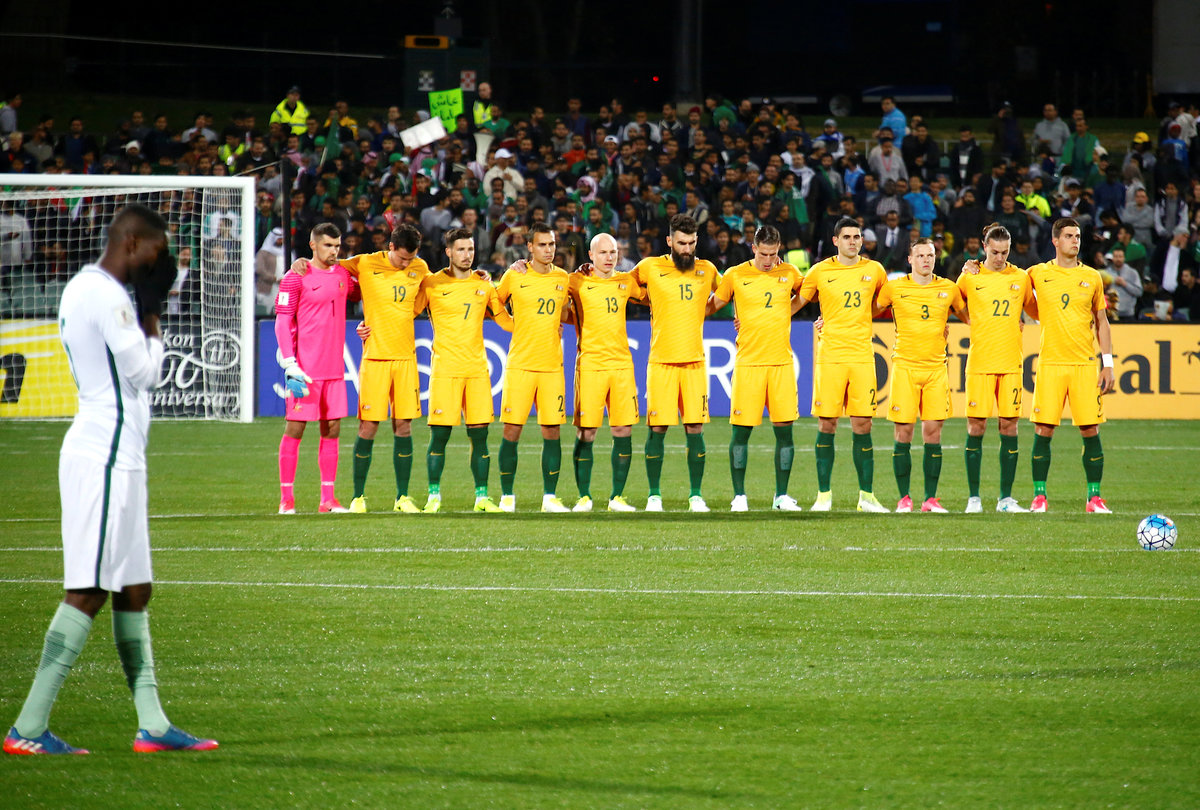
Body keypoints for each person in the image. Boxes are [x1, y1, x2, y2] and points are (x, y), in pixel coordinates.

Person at [5, 205, 217, 756]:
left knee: (134, 589)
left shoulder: (85, 288)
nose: (159, 262)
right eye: (156, 250)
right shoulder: (107, 296)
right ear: (131, 242)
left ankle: (152, 724)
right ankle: (28, 728)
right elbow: (146, 373)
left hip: (121, 457)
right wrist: (153, 313)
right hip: (103, 455)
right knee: (89, 589)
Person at [312, 223, 430, 514]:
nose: (406, 264)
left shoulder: (420, 268)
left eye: (411, 258)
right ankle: (358, 497)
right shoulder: (365, 263)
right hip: (375, 359)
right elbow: (330, 265)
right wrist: (302, 263)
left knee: (404, 426)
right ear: (390, 247)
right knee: (368, 426)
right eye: (402, 258)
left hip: (406, 359)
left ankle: (402, 498)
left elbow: (437, 288)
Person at [790, 217, 890, 512]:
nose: (853, 242)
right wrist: (758, 318)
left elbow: (885, 302)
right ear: (835, 241)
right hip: (831, 356)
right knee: (827, 423)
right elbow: (796, 303)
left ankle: (867, 497)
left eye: (857, 237)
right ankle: (823, 496)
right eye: (847, 237)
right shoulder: (820, 271)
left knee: (863, 424)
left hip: (862, 357)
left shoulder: (875, 270)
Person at [708, 226, 805, 511]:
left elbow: (812, 294)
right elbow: (712, 305)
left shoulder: (789, 272)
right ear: (754, 249)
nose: (768, 260)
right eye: (763, 254)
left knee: (785, 432)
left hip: (781, 364)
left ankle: (781, 496)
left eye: (773, 254)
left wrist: (788, 310)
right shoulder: (736, 275)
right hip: (748, 364)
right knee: (741, 433)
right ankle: (739, 496)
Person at [419, 228, 513, 513]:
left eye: (470, 249)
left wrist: (540, 324)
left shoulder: (484, 285)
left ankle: (482, 497)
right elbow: (405, 312)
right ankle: (433, 496)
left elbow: (505, 321)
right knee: (440, 436)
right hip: (445, 370)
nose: (467, 254)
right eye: (460, 249)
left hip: (476, 371)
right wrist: (370, 326)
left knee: (480, 436)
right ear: (448, 252)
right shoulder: (431, 283)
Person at [631, 213, 720, 512]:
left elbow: (731, 293)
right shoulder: (650, 267)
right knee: (657, 428)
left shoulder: (707, 270)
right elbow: (620, 285)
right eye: (682, 243)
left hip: (694, 362)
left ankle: (696, 495)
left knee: (695, 428)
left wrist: (732, 315)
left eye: (692, 243)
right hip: (661, 363)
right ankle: (654, 495)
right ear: (669, 241)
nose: (687, 249)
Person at [1027, 218, 1114, 512]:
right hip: (1051, 364)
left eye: (1077, 236)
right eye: (1068, 236)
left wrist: (1108, 363)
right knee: (1043, 430)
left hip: (1084, 365)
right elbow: (1007, 281)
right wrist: (973, 267)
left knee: (1090, 429)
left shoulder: (1092, 277)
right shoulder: (1038, 273)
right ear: (1055, 241)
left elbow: (1102, 321)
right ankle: (1039, 496)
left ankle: (1094, 497)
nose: (1075, 241)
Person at [876, 237, 969, 512]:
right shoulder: (894, 288)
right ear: (910, 259)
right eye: (920, 256)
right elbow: (865, 312)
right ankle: (904, 498)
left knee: (933, 432)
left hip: (936, 369)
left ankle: (930, 499)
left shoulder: (948, 288)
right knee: (903, 432)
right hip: (905, 368)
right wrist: (828, 320)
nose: (926, 260)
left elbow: (970, 317)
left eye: (930, 255)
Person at [274, 222, 357, 515]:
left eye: (337, 246)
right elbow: (282, 321)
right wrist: (290, 363)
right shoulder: (295, 277)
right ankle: (287, 499)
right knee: (296, 428)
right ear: (313, 245)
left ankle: (328, 500)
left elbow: (366, 291)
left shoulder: (343, 275)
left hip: (334, 369)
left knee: (332, 429)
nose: (334, 251)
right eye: (328, 245)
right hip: (305, 369)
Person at [956, 224, 1037, 512]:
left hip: (1011, 364)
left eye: (1005, 252)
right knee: (976, 427)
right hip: (980, 364)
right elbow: (952, 303)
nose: (1000, 258)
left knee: (1009, 426)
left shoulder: (1020, 277)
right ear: (984, 247)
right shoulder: (969, 277)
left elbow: (1036, 310)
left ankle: (1005, 499)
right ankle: (974, 498)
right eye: (994, 252)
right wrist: (970, 320)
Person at [565, 233, 646, 511]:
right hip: (590, 365)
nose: (609, 257)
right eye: (603, 253)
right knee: (587, 431)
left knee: (623, 430)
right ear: (591, 256)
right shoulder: (576, 281)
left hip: (622, 366)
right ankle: (584, 496)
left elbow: (654, 298)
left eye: (613, 252)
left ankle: (617, 497)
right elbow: (550, 289)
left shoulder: (626, 282)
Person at [494, 223, 572, 512]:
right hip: (521, 366)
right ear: (530, 247)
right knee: (511, 430)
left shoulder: (562, 277)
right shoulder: (515, 275)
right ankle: (507, 496)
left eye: (551, 244)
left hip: (551, 366)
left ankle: (550, 497)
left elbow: (565, 311)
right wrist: (511, 325)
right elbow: (493, 301)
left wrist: (558, 322)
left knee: (552, 432)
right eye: (542, 245)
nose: (548, 250)